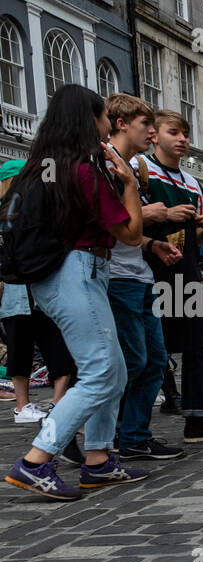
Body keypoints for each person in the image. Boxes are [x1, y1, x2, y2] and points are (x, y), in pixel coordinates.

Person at [4, 85, 148, 500]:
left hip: (63, 274)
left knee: (112, 369)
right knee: (103, 369)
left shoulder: (44, 165)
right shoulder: (84, 169)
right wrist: (129, 186)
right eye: (102, 115)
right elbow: (131, 234)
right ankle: (35, 460)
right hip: (76, 272)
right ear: (89, 120)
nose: (107, 122)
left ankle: (99, 461)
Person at [141, 111, 203, 442]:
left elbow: (191, 244)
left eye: (185, 133)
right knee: (150, 352)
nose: (182, 139)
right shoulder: (140, 170)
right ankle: (130, 432)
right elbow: (119, 221)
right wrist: (163, 214)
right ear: (154, 135)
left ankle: (197, 419)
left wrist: (201, 232)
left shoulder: (192, 182)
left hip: (186, 275)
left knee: (199, 347)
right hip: (147, 272)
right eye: (174, 132)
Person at [103, 94, 185, 462]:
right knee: (131, 362)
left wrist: (152, 245)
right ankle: (95, 435)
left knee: (154, 361)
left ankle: (135, 437)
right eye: (145, 124)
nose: (152, 132)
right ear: (121, 123)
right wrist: (143, 214)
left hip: (139, 275)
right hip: (114, 278)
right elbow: (104, 224)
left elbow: (132, 234)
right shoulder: (104, 163)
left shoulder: (131, 166)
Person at [0, 161, 76, 432]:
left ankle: (54, 402)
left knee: (55, 350)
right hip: (21, 293)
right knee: (24, 353)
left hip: (33, 294)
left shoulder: (30, 210)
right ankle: (25, 406)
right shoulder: (11, 214)